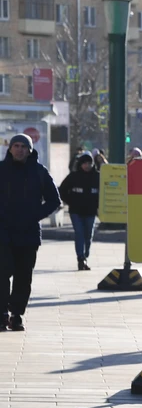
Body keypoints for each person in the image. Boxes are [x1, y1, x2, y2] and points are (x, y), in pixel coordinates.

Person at [0, 134, 61, 332]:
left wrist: (35, 215)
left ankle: (17, 315)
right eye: (15, 146)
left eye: (23, 146)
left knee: (23, 276)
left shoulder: (39, 171)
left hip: (28, 234)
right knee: (2, 273)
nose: (19, 150)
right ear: (10, 149)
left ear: (30, 150)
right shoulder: (1, 170)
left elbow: (54, 200)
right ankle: (2, 314)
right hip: (3, 232)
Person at [58, 152, 100, 271]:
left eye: (89, 163)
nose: (87, 166)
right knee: (79, 234)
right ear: (80, 164)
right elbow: (62, 190)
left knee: (88, 235)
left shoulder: (97, 176)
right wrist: (70, 201)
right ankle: (81, 258)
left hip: (91, 211)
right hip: (76, 211)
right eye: (84, 163)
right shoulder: (73, 176)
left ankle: (85, 255)